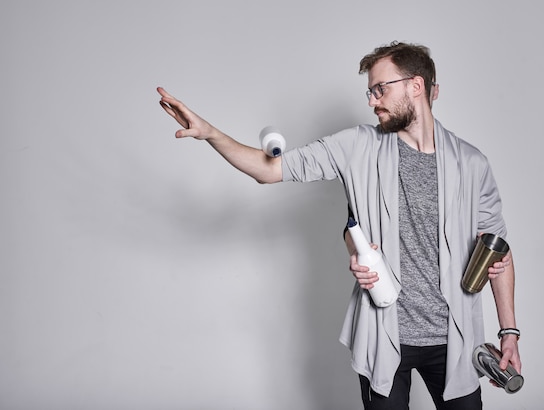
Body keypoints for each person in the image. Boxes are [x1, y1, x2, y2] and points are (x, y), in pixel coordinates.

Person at [157, 41, 521, 410]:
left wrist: (509, 332)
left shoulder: (472, 164)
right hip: (384, 336)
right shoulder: (357, 145)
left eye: (381, 88)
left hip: (454, 340)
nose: (371, 100)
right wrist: (210, 134)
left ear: (416, 86)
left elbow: (498, 251)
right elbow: (269, 170)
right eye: (369, 91)